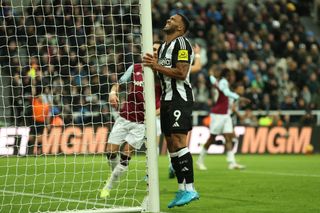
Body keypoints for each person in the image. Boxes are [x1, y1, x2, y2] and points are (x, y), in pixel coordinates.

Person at [143, 13, 199, 208]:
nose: (169, 19)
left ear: (181, 28)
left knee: (178, 141)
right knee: (171, 146)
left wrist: (156, 65)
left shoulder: (182, 44)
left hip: (179, 99)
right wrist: (155, 64)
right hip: (166, 100)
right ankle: (182, 189)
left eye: (174, 19)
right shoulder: (165, 46)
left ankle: (191, 189)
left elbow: (182, 73)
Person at [100, 42, 161, 198]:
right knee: (110, 152)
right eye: (151, 48)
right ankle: (115, 173)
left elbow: (166, 102)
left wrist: (153, 114)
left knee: (126, 154)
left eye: (156, 50)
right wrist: (113, 93)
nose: (152, 52)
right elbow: (119, 83)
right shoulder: (135, 68)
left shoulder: (162, 74)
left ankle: (109, 185)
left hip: (141, 124)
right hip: (125, 117)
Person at [197, 68, 250, 170]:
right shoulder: (223, 82)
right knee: (212, 138)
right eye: (231, 75)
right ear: (227, 75)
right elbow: (226, 93)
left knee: (228, 137)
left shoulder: (218, 81)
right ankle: (200, 161)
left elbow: (213, 80)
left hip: (225, 115)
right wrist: (239, 97)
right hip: (218, 114)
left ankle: (231, 162)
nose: (232, 77)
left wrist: (211, 74)